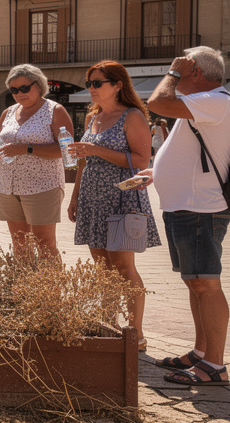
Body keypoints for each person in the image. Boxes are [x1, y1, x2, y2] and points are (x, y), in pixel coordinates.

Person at [143, 46, 230, 386]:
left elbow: (156, 103)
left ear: (195, 73)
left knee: (206, 283)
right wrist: (156, 172)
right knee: (194, 281)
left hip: (201, 207)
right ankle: (202, 352)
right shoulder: (205, 104)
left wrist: (172, 73)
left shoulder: (216, 100)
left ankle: (214, 365)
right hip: (186, 205)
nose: (176, 77)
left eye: (184, 71)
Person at [67, 61, 161, 350]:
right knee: (102, 268)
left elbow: (142, 161)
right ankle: (108, 325)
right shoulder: (92, 117)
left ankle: (136, 332)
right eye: (90, 83)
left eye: (98, 83)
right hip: (93, 198)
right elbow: (84, 161)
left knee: (123, 266)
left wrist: (97, 150)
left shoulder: (132, 116)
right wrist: (75, 196)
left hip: (122, 197)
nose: (92, 89)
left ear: (118, 85)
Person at [0, 64, 74, 261]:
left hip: (42, 186)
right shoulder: (8, 112)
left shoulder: (54, 110)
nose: (19, 93)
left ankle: (51, 291)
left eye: (24, 88)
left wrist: (26, 148)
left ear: (39, 86)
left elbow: (67, 150)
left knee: (44, 243)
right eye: (14, 90)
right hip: (8, 186)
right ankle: (26, 290)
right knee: (19, 243)